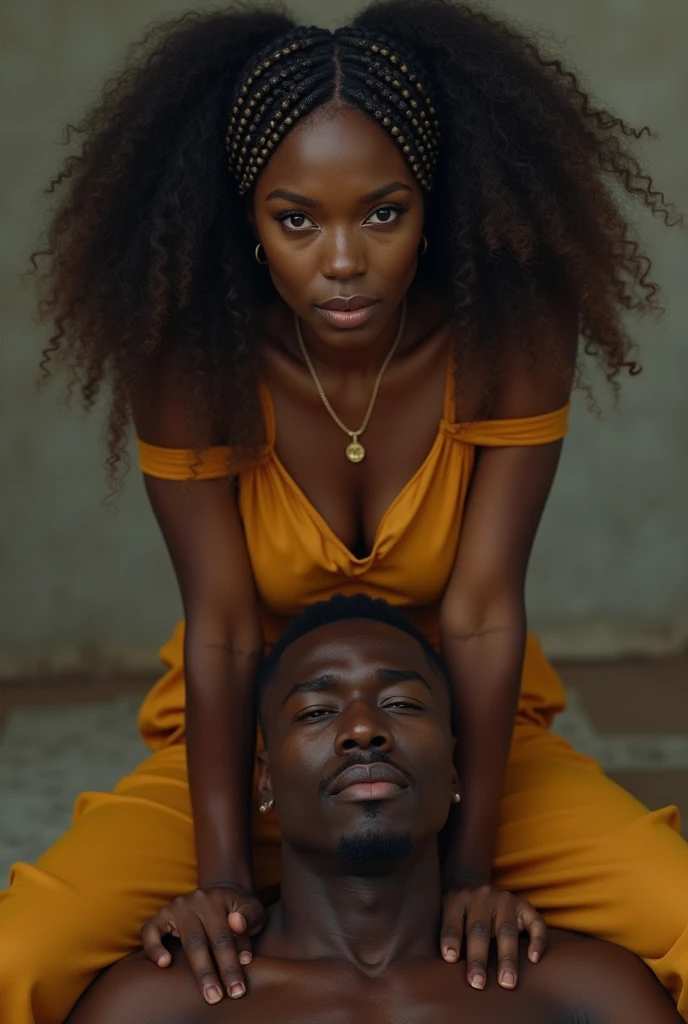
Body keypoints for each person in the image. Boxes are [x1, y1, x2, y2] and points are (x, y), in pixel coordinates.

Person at [2, 2, 687, 1023]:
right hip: (250, 745)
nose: (340, 259)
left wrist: (468, 866)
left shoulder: (510, 328)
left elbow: (484, 612)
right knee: (26, 955)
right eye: (296, 219)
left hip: (454, 732)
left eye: (381, 211)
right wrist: (225, 876)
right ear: (247, 219)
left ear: (434, 205)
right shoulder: (191, 353)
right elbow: (226, 626)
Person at [66, 595, 682, 1024]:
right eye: (315, 712)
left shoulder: (582, 987)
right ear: (262, 780)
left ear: (459, 770)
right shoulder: (156, 1000)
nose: (363, 729)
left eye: (403, 703)